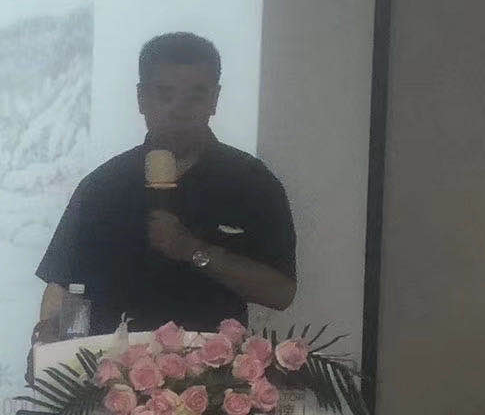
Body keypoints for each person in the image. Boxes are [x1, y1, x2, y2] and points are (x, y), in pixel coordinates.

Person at [32, 32, 296, 339]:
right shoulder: (103, 186)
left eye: (196, 96)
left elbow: (281, 293)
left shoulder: (252, 181)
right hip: (112, 364)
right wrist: (49, 341)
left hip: (212, 366)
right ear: (141, 98)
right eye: (165, 94)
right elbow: (63, 286)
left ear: (214, 100)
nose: (179, 109)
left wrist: (194, 250)